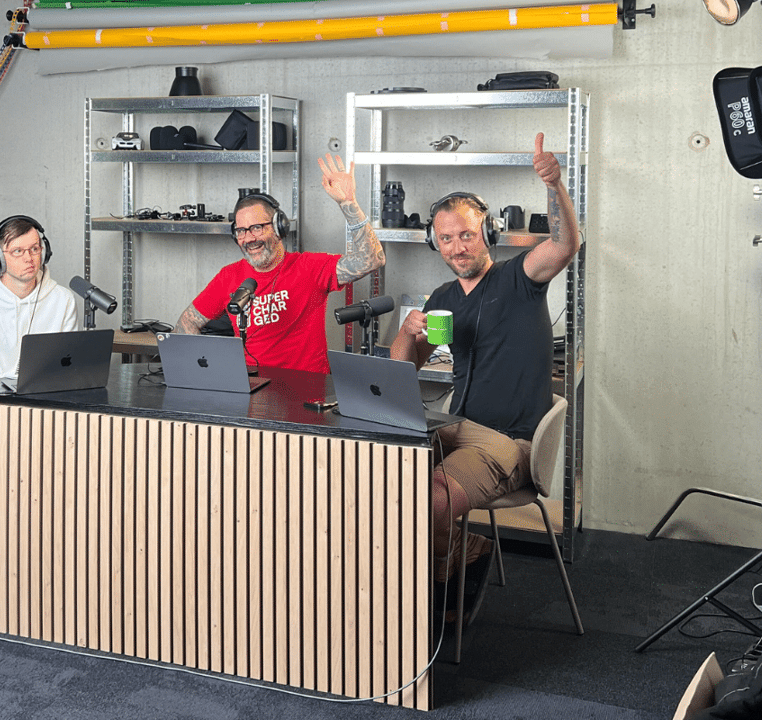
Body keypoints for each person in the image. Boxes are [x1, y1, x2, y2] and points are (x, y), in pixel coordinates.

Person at [390, 132, 581, 616]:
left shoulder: (520, 279)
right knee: (376, 472)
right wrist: (408, 333)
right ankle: (428, 567)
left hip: (507, 441)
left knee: (431, 498)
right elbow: (400, 372)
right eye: (447, 238)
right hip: (455, 426)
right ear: (437, 244)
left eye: (467, 234)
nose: (458, 246)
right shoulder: (443, 299)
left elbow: (563, 245)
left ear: (486, 234)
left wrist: (554, 186)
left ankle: (436, 585)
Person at [174, 154, 385, 374]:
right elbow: (185, 324)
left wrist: (349, 203)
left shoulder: (310, 267)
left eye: (257, 228)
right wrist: (209, 372)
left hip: (307, 392)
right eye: (240, 231)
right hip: (252, 390)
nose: (248, 238)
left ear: (279, 227)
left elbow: (372, 260)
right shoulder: (229, 276)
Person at [0, 215, 79, 384]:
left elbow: (67, 370)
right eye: (18, 251)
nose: (29, 258)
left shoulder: (63, 300)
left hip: (49, 402)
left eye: (35, 249)